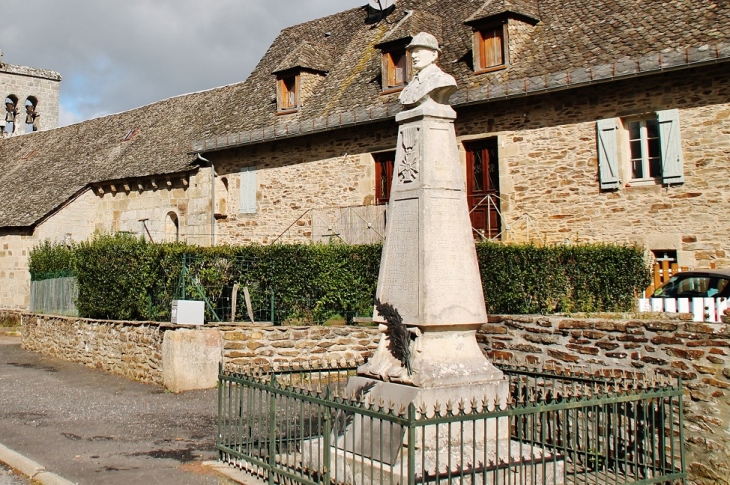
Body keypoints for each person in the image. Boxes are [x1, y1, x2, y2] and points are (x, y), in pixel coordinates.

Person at [399, 32, 457, 109]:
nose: (413, 56)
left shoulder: (444, 80)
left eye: (418, 51)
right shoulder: (409, 86)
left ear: (434, 54)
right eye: (412, 52)